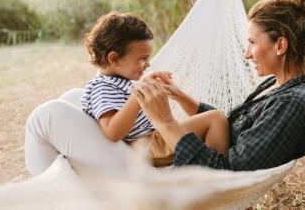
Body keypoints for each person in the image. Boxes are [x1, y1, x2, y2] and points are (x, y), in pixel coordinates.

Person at [24, 0, 305, 174]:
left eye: (253, 43)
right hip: (143, 147)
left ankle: (61, 197)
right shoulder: (278, 88)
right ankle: (69, 191)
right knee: (72, 99)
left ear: (280, 46)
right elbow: (228, 127)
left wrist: (165, 122)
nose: (246, 54)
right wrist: (177, 95)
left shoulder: (293, 105)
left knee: (47, 115)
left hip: (161, 169)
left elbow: (224, 170)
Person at [79, 12, 230, 167]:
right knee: (215, 119)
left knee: (212, 122)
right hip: (147, 145)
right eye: (142, 59)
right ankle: (213, 175)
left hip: (154, 140)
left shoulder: (117, 82)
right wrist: (139, 94)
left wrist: (145, 85)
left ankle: (207, 169)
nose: (148, 64)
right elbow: (112, 131)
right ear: (114, 58)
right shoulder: (102, 87)